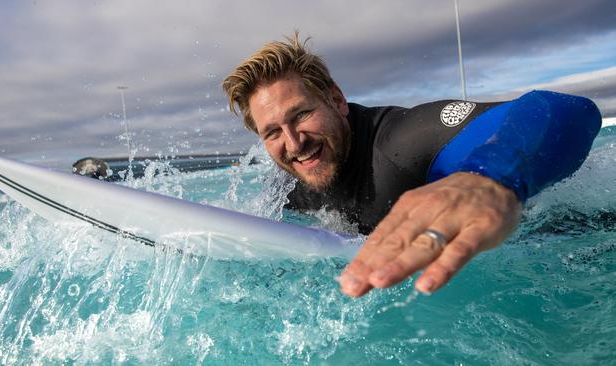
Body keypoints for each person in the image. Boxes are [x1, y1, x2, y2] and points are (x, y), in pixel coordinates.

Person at [222, 33, 602, 298]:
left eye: (302, 114)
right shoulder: (290, 183)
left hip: (563, 242)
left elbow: (566, 111)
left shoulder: (401, 142)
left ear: (336, 100)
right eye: (272, 132)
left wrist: (488, 179)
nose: (293, 143)